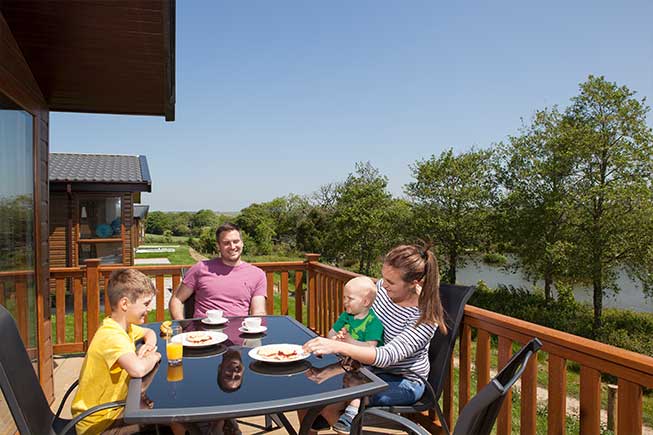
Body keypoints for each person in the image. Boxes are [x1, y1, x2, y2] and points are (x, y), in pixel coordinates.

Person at [302, 243, 447, 433]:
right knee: (308, 398)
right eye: (383, 277)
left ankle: (341, 422)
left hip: (404, 381)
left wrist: (337, 347)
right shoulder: (382, 291)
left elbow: (388, 356)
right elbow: (364, 322)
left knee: (326, 406)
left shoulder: (424, 318)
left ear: (415, 282)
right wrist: (347, 334)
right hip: (369, 370)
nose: (382, 284)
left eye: (391, 282)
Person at [71, 269, 162, 435]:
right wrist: (154, 356)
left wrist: (148, 346)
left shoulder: (123, 327)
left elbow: (150, 333)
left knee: (163, 414)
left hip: (115, 409)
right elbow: (138, 369)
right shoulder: (111, 336)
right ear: (125, 304)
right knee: (164, 416)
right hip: (99, 425)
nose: (149, 309)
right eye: (146, 303)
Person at [169, 222, 267, 320]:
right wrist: (182, 326)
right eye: (226, 243)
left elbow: (258, 311)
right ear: (218, 246)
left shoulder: (257, 274)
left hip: (239, 331)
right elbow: (176, 299)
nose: (232, 247)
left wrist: (255, 328)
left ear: (242, 243)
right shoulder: (200, 268)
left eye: (236, 241)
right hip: (204, 332)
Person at [327, 276, 383, 433]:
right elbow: (330, 334)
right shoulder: (346, 316)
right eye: (344, 297)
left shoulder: (373, 323)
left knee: (357, 380)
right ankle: (320, 416)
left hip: (368, 365)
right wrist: (336, 338)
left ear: (365, 302)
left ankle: (350, 414)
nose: (345, 301)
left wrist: (349, 341)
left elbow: (371, 348)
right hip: (347, 361)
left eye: (349, 298)